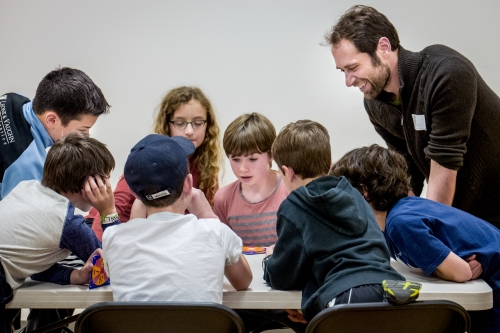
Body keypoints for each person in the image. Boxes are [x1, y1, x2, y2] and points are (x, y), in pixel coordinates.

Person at [326, 5, 500, 228]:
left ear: (384, 47)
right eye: (343, 71)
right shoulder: (376, 104)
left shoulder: (446, 74)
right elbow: (404, 176)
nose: (348, 81)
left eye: (353, 67)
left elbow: (444, 166)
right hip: (469, 216)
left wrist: (434, 236)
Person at [329, 144, 500, 333]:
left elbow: (462, 273)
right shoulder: (396, 216)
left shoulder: (401, 223)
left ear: (363, 191)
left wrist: (455, 268)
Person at [262, 120, 405, 327]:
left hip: (345, 298)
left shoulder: (294, 206)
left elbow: (285, 276)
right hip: (391, 289)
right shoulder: (354, 195)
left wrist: (269, 261)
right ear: (330, 163)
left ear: (287, 171)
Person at [102, 134, 252, 303]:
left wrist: (135, 221)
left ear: (134, 193)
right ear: (188, 184)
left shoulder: (113, 237)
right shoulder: (216, 232)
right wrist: (208, 216)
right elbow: (243, 282)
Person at [0, 132, 120, 333]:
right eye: (105, 179)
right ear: (90, 184)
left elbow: (29, 261)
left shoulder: (26, 188)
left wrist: (73, 275)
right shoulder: (67, 222)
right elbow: (114, 263)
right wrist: (108, 210)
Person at [89, 86, 222, 240]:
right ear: (167, 125)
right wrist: (98, 249)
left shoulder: (207, 168)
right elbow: (111, 209)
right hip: (111, 234)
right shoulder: (150, 162)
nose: (190, 131)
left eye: (198, 123)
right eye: (180, 123)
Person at [0, 67, 110, 200]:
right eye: (82, 130)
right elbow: (17, 217)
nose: (86, 136)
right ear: (52, 120)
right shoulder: (26, 167)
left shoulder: (13, 98)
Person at [214, 113, 288, 247]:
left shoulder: (290, 191)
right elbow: (225, 251)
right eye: (235, 159)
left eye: (252, 159)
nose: (242, 168)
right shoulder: (223, 198)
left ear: (271, 154)